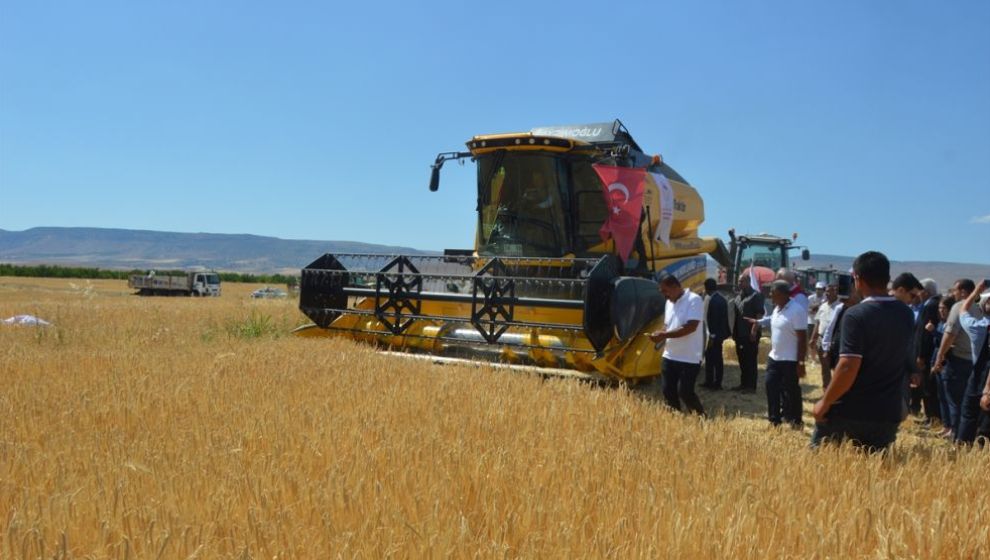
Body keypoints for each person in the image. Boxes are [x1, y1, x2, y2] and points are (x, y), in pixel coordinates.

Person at [811, 251, 915, 452]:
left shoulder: (856, 315)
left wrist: (825, 402)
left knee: (820, 470)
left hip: (850, 410)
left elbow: (849, 366)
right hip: (887, 411)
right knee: (873, 476)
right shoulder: (906, 314)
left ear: (858, 279)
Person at [747, 280, 807, 428]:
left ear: (782, 294)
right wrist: (758, 322)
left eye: (773, 294)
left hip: (790, 359)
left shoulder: (797, 310)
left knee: (791, 390)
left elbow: (802, 339)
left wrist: (801, 362)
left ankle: (796, 420)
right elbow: (772, 320)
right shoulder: (777, 308)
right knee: (770, 386)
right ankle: (774, 420)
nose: (770, 297)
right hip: (774, 357)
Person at [650, 275, 706, 416]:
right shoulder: (669, 302)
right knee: (667, 391)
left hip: (689, 357)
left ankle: (701, 419)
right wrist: (660, 333)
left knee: (685, 392)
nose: (663, 294)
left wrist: (664, 335)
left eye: (665, 290)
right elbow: (667, 325)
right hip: (670, 355)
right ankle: (675, 420)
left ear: (676, 287)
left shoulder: (694, 300)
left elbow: (691, 327)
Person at [932, 279, 977, 439]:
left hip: (957, 360)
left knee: (954, 400)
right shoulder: (982, 308)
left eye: (955, 290)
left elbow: (950, 334)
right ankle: (963, 435)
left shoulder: (959, 307)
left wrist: (939, 356)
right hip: (976, 362)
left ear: (963, 292)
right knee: (968, 402)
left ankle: (956, 434)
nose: (953, 294)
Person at [955, 281, 990, 444]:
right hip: (984, 378)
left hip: (978, 376)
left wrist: (977, 290)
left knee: (968, 415)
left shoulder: (978, 327)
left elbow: (963, 310)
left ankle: (963, 449)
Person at [730, 273, 765, 393]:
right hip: (739, 333)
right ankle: (743, 384)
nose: (739, 283)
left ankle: (751, 386)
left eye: (742, 281)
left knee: (750, 360)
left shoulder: (756, 296)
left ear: (748, 282)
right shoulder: (738, 297)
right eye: (739, 281)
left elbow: (759, 315)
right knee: (742, 360)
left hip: (750, 334)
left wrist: (754, 331)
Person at [912, 279, 941, 422]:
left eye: (920, 290)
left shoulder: (931, 305)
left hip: (927, 353)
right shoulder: (930, 304)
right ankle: (930, 416)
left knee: (928, 387)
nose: (918, 293)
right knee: (926, 387)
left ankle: (933, 417)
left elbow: (925, 334)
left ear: (926, 291)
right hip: (926, 352)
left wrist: (921, 355)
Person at [928, 296, 956, 437]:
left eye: (944, 309)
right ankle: (945, 425)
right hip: (937, 362)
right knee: (942, 397)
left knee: (949, 397)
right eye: (940, 308)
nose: (941, 311)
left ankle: (952, 427)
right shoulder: (941, 323)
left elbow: (947, 344)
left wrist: (934, 332)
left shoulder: (951, 325)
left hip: (946, 363)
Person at [701, 278, 730, 390]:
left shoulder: (714, 300)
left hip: (714, 336)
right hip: (717, 334)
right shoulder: (720, 298)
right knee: (711, 357)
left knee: (716, 359)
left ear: (707, 288)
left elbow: (715, 321)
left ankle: (716, 383)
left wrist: (712, 336)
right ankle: (710, 381)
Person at [810, 284, 839, 386]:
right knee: (824, 367)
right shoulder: (822, 306)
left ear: (836, 292)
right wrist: (813, 338)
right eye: (826, 291)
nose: (828, 293)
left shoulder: (840, 306)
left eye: (830, 291)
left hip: (834, 340)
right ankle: (826, 389)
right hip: (821, 339)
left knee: (836, 367)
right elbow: (817, 323)